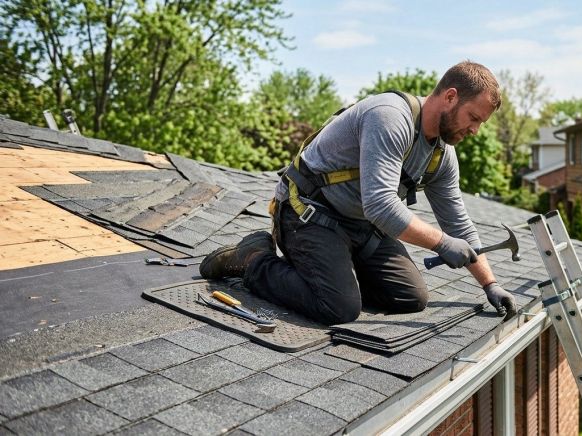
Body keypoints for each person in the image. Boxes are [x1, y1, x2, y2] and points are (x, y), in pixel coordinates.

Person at [200, 60, 517, 325]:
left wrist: (490, 284)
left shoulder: (441, 155)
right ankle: (254, 259)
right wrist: (441, 243)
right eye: (474, 118)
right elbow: (381, 206)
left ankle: (330, 273)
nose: (475, 130)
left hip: (360, 226)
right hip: (309, 212)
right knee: (338, 307)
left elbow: (458, 224)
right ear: (450, 97)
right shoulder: (390, 116)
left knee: (410, 297)